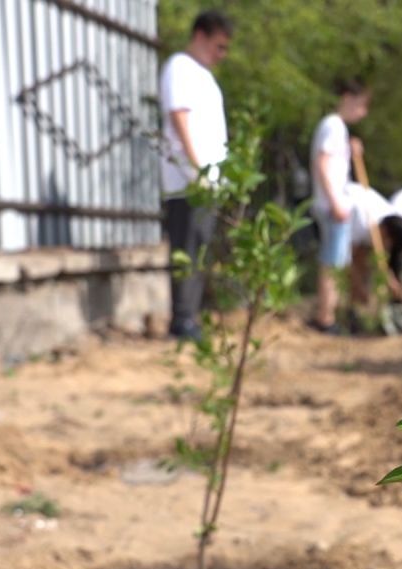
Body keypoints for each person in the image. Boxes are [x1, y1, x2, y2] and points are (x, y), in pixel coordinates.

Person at [158, 10, 232, 341]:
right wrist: (196, 170)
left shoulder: (204, 76)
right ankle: (182, 320)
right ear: (200, 35)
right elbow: (179, 118)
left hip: (208, 181)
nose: (222, 55)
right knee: (187, 247)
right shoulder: (180, 68)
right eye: (219, 46)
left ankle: (191, 316)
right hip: (189, 183)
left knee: (200, 248)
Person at [310, 79, 372, 333]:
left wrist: (350, 149)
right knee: (332, 263)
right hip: (332, 205)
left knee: (337, 261)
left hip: (335, 204)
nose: (363, 112)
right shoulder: (333, 126)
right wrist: (335, 202)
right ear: (348, 98)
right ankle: (325, 318)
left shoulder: (337, 129)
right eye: (361, 105)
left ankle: (332, 314)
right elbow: (322, 163)